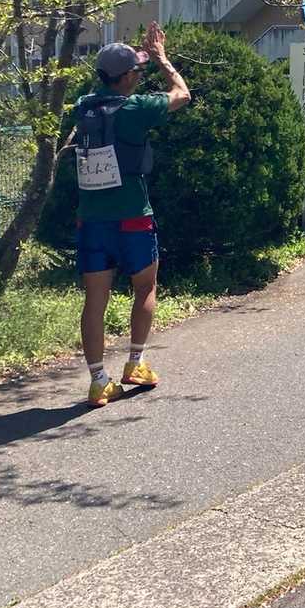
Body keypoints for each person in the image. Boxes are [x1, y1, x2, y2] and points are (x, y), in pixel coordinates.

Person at [71, 22, 191, 407]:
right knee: (145, 287)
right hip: (133, 216)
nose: (140, 75)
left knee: (95, 300)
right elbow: (182, 94)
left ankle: (98, 381)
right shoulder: (135, 108)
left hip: (91, 219)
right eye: (137, 71)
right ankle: (135, 363)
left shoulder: (82, 107)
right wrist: (162, 59)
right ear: (125, 78)